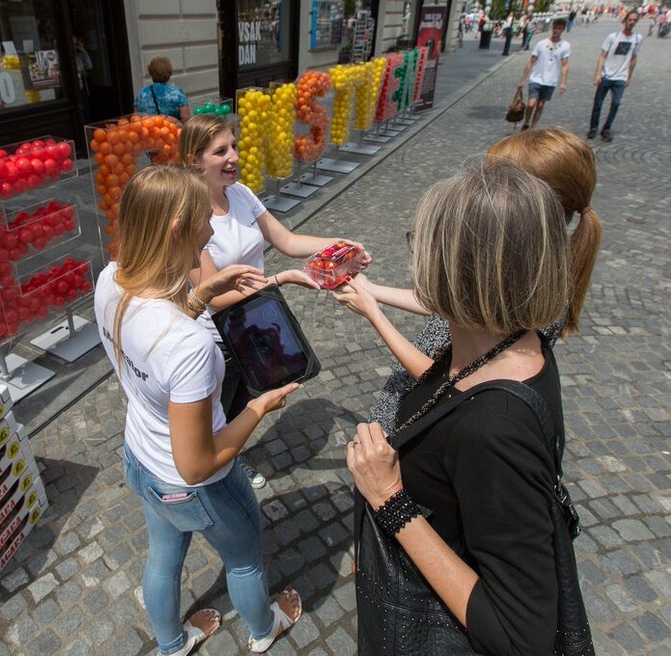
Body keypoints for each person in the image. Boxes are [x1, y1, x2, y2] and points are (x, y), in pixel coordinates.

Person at [347, 160, 575, 654]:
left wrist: (388, 500)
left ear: (456, 271)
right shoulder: (501, 340)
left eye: (420, 246)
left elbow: (520, 635)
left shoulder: (494, 430)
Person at [94, 166, 302, 656]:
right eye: (204, 220)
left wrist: (201, 295)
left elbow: (153, 349)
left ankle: (171, 644)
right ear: (175, 230)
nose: (211, 229)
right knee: (246, 560)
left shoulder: (110, 281)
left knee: (164, 557)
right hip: (192, 484)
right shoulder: (188, 346)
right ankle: (263, 628)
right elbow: (198, 463)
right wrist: (257, 408)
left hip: (142, 458)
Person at [337, 127, 602, 434]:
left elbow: (450, 380)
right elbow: (448, 303)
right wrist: (371, 290)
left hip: (432, 406)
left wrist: (373, 313)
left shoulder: (536, 291)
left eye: (493, 182)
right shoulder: (517, 259)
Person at [178, 114, 363, 488]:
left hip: (258, 320)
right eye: (220, 151)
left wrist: (342, 243)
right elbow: (216, 297)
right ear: (195, 160)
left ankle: (233, 456)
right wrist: (280, 279)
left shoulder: (242, 195)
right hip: (218, 338)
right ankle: (215, 471)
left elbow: (288, 241)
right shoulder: (189, 217)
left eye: (234, 146)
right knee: (218, 411)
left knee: (247, 399)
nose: (233, 157)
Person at [586, 11, 642, 142]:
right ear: (625, 20)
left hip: (621, 77)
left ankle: (606, 129)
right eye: (630, 20)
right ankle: (593, 128)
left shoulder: (637, 39)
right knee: (598, 103)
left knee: (616, 103)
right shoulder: (613, 36)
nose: (632, 22)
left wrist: (629, 76)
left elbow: (634, 58)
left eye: (634, 20)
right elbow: (602, 56)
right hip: (606, 75)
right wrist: (598, 74)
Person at [516, 18, 570, 130]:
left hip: (550, 80)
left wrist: (564, 82)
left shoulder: (565, 46)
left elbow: (565, 64)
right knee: (531, 103)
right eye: (555, 28)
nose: (556, 30)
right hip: (536, 78)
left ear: (563, 29)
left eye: (559, 28)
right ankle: (526, 122)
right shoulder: (542, 44)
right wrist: (523, 79)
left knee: (540, 105)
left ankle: (533, 126)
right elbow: (531, 61)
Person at [134, 57, 190, 122]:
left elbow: (136, 119)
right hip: (171, 130)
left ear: (151, 73)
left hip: (149, 130)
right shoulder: (177, 93)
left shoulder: (141, 94)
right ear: (169, 73)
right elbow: (186, 118)